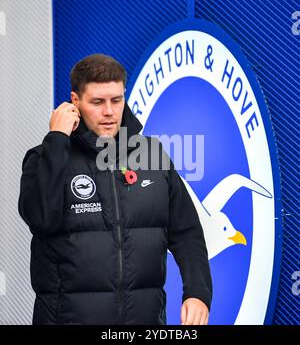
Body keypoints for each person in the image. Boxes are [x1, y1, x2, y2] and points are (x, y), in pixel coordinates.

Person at [18, 54, 212, 325]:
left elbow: (187, 233)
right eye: (97, 102)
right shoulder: (44, 158)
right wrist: (57, 140)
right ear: (75, 102)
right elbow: (41, 219)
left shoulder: (152, 155)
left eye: (116, 100)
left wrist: (198, 292)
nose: (109, 111)